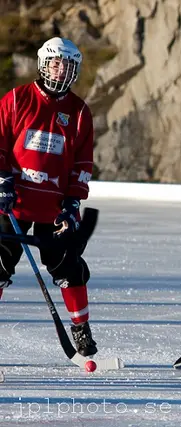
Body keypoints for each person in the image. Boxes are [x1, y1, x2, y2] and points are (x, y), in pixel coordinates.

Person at [0, 37, 97, 356]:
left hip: (54, 207)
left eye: (69, 65)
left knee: (69, 267)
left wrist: (73, 200)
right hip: (13, 202)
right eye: (57, 63)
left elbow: (83, 163)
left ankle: (80, 327)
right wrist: (2, 180)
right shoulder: (17, 99)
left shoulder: (79, 112)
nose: (62, 70)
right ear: (44, 64)